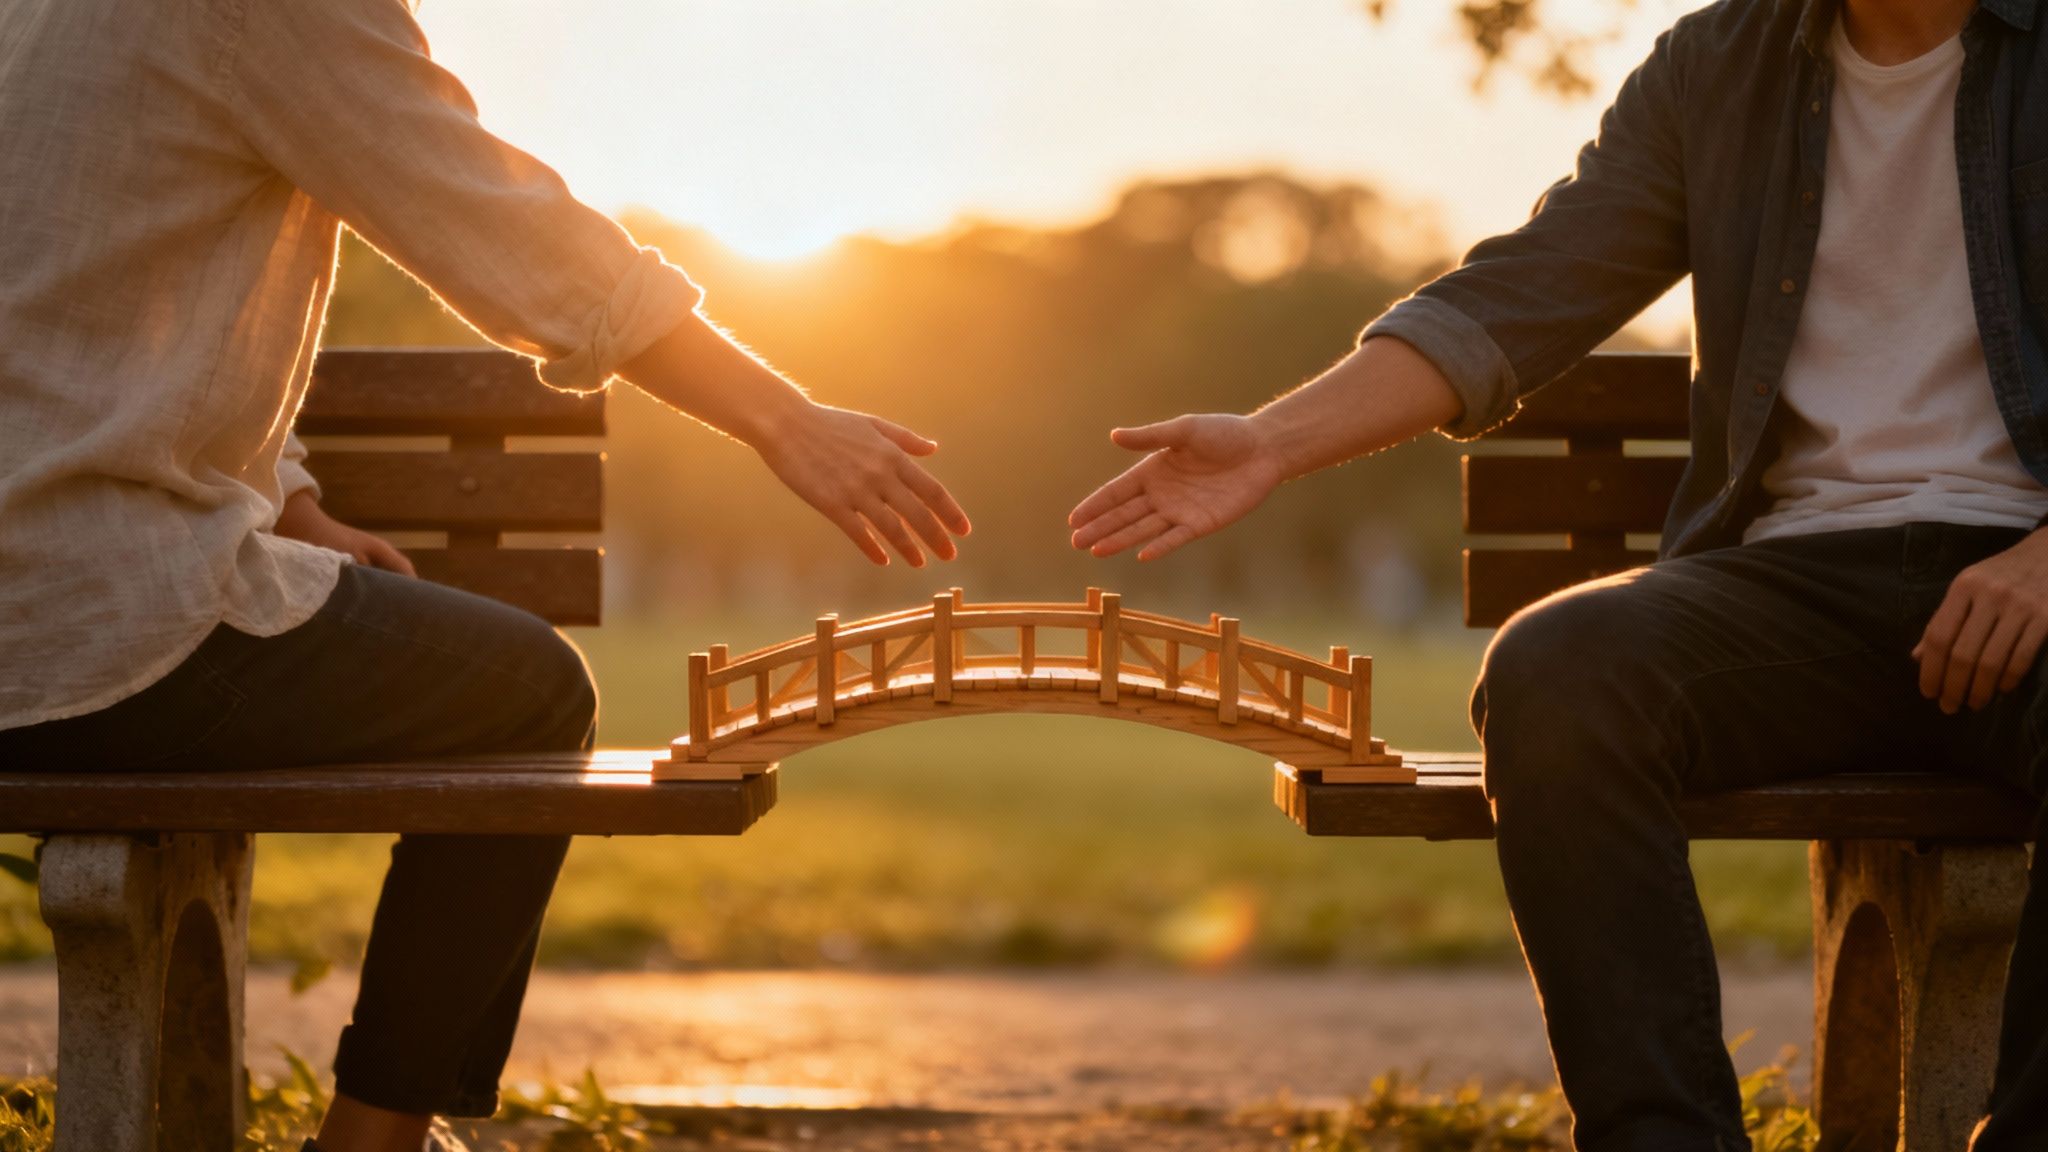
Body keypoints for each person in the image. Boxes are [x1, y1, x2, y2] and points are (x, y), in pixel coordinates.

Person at [1071, 0, 2048, 1146]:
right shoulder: (1714, 65)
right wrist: (1273, 442)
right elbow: (1524, 291)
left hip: (2030, 567)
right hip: (1791, 591)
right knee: (1558, 670)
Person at [0, 0, 971, 1149]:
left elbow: (73, 303)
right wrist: (781, 418)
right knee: (530, 692)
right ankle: (375, 1142)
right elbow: (505, 231)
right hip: (90, 627)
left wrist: (296, 502)